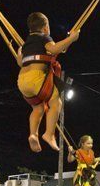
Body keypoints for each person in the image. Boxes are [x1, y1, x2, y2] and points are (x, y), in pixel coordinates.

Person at [16, 11, 80, 153]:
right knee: (56, 102)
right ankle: (49, 134)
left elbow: (20, 62)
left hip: (22, 82)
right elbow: (55, 48)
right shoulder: (45, 38)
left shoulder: (26, 44)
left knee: (37, 108)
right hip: (37, 79)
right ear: (45, 28)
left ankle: (33, 134)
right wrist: (72, 39)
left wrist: (19, 52)